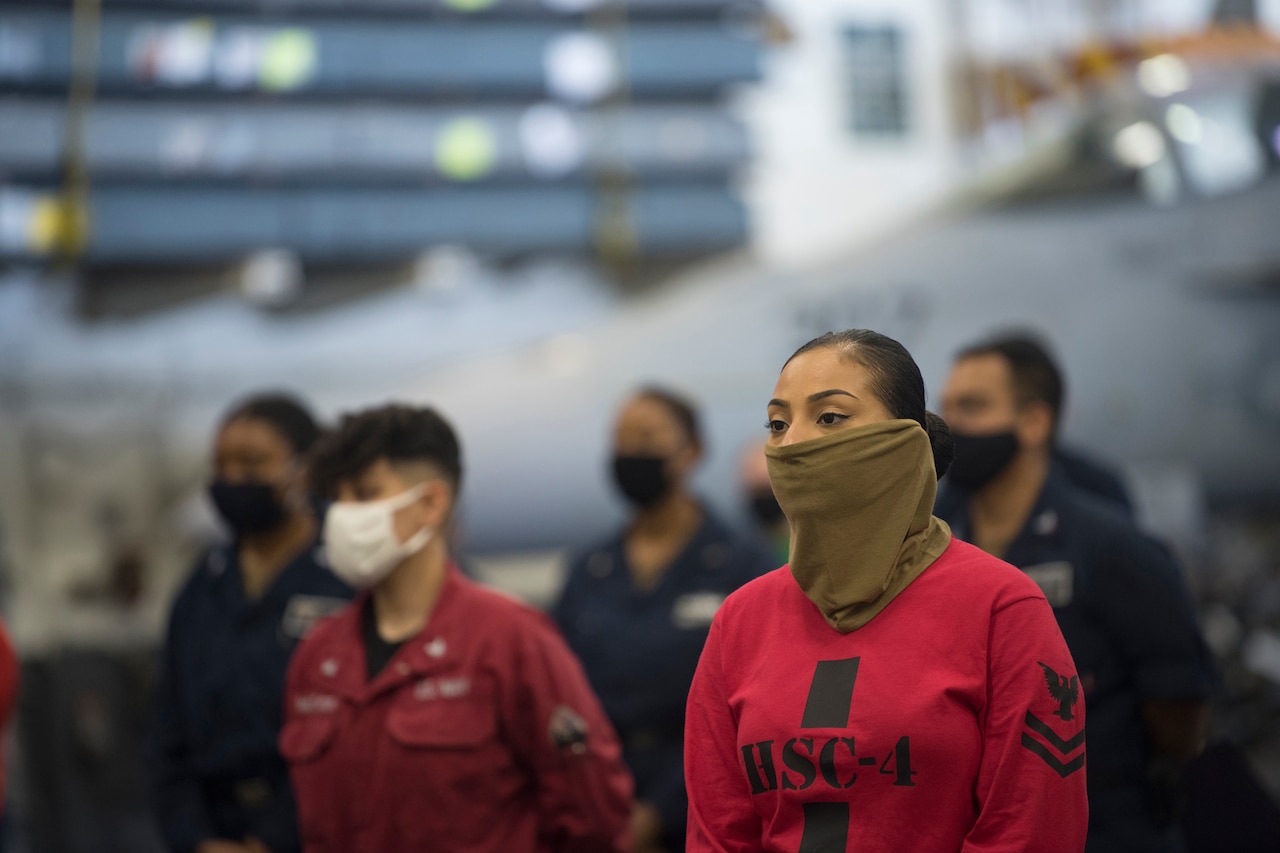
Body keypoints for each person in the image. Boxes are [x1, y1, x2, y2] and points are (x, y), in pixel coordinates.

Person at [685, 329, 1088, 852]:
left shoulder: (1001, 608)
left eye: (830, 417)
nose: (792, 444)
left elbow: (1031, 829)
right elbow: (719, 833)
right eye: (778, 423)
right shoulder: (739, 621)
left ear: (905, 442)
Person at [282, 403, 632, 852]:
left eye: (365, 494)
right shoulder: (316, 657)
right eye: (337, 497)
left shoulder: (511, 640)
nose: (343, 515)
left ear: (430, 503)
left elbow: (593, 815)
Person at [936, 334, 1213, 853]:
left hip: (1108, 830)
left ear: (1035, 422)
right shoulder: (933, 543)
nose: (951, 426)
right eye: (947, 408)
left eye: (972, 407)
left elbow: (1179, 709)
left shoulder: (1111, 547)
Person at [554, 387, 771, 853]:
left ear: (691, 451)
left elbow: (749, 709)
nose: (630, 452)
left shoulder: (741, 564)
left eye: (647, 436)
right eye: (621, 440)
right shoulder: (589, 568)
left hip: (703, 802)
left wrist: (659, 813)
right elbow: (561, 694)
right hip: (600, 799)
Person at [152, 394, 354, 853]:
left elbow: (351, 733)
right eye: (221, 464)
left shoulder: (344, 575)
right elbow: (167, 733)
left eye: (253, 462)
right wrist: (196, 839)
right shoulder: (202, 586)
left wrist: (273, 840)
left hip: (317, 830)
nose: (232, 478)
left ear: (302, 469)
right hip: (215, 826)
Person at [737, 440, 789, 567]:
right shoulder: (743, 551)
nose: (764, 499)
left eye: (767, 489)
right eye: (757, 490)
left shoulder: (812, 546)